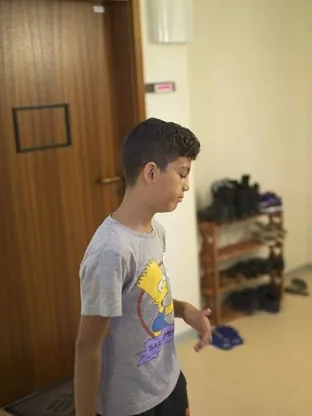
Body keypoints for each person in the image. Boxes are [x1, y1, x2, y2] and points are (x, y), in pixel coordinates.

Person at [74, 118, 212, 416]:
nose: (187, 185)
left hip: (168, 381)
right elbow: (87, 347)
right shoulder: (110, 252)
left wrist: (185, 309)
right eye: (182, 174)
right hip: (131, 406)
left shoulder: (155, 231)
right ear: (151, 172)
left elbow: (146, 299)